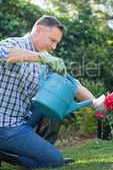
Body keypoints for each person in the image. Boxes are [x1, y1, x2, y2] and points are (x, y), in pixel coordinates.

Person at [0, 16, 105, 169]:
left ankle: (37, 150)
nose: (54, 47)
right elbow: (6, 53)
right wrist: (41, 57)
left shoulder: (45, 60)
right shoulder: (15, 44)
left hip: (22, 118)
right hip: (4, 123)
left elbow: (72, 84)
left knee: (57, 97)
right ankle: (7, 152)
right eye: (52, 40)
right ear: (38, 29)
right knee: (55, 161)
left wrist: (96, 103)